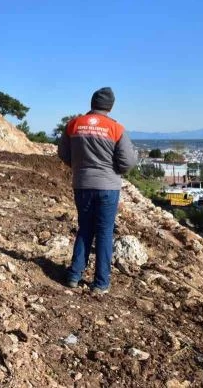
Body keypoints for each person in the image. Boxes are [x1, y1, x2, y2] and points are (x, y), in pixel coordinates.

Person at [57, 87, 136, 294]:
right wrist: (114, 170)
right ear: (110, 106)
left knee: (85, 228)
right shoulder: (116, 129)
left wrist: (80, 167)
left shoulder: (74, 125)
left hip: (82, 184)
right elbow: (127, 162)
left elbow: (63, 153)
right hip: (108, 187)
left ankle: (74, 275)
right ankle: (101, 283)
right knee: (104, 232)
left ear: (92, 102)